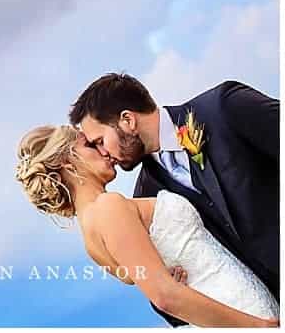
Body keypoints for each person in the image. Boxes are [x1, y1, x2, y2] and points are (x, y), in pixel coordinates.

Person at [15, 123, 279, 327]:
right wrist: (256, 326)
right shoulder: (108, 207)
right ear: (67, 161)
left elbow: (156, 281)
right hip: (241, 311)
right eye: (89, 146)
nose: (103, 151)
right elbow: (164, 296)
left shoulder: (90, 238)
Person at [70, 74, 279, 326]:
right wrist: (178, 285)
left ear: (128, 120)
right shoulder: (147, 199)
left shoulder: (223, 108)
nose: (103, 153)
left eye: (100, 141)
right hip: (268, 308)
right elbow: (167, 298)